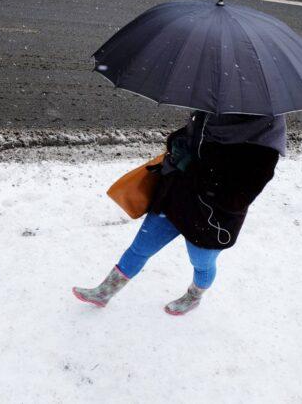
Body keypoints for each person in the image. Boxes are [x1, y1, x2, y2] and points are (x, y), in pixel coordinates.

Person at [72, 111, 285, 316]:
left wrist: (195, 169)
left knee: (202, 263)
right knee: (140, 247)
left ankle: (194, 296)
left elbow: (236, 198)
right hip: (176, 199)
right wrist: (177, 142)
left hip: (211, 217)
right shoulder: (212, 112)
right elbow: (189, 137)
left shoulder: (263, 146)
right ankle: (104, 292)